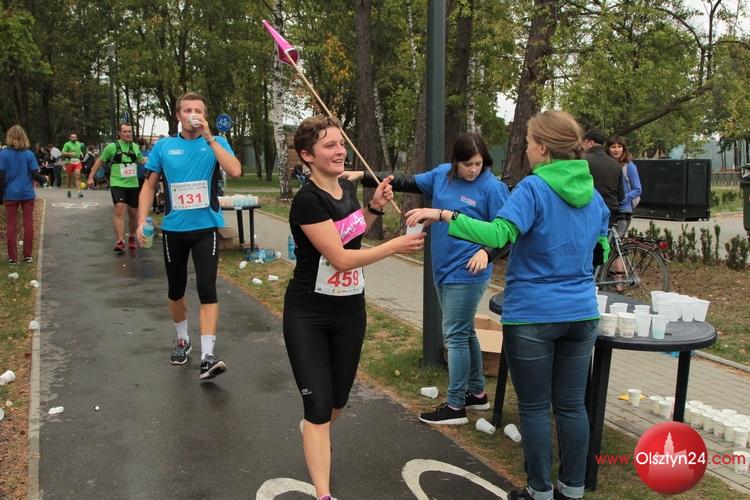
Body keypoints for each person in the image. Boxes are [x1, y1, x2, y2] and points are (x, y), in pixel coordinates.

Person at [406, 110, 610, 500]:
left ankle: (539, 491)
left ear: (543, 148)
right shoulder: (593, 194)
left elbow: (499, 234)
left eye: (530, 143)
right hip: (582, 314)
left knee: (534, 407)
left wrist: (446, 214)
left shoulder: (534, 188)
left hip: (533, 314)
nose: (527, 150)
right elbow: (601, 249)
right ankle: (572, 490)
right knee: (571, 406)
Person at [284, 115, 425, 500]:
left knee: (336, 402)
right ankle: (323, 493)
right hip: (308, 314)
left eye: (341, 144)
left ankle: (313, 430)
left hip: (349, 313)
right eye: (329, 145)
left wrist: (374, 209)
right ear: (307, 155)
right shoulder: (307, 200)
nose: (339, 151)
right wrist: (395, 246)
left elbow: (349, 233)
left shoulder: (344, 187)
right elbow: (341, 257)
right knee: (317, 407)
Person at [347, 132, 510, 425]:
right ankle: (477, 394)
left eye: (478, 163)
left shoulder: (492, 188)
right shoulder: (442, 176)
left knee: (454, 335)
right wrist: (363, 175)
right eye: (467, 164)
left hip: (469, 271)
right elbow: (405, 181)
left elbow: (506, 233)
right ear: (455, 162)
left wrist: (487, 252)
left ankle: (456, 406)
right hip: (443, 267)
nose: (474, 169)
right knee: (464, 331)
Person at [136, 92, 241, 380]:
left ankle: (208, 356)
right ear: (178, 115)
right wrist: (142, 219)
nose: (193, 115)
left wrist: (210, 138)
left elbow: (235, 170)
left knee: (208, 289)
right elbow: (148, 187)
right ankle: (182, 340)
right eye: (187, 110)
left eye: (198, 110)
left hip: (206, 227)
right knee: (176, 290)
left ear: (205, 115)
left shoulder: (216, 142)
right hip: (174, 230)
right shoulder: (164, 146)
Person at [88, 123, 146, 253]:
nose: (128, 134)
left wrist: (160, 160)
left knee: (133, 213)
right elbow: (100, 161)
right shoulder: (111, 147)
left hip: (133, 184)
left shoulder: (135, 147)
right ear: (119, 133)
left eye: (130, 131)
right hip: (117, 182)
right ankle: (120, 241)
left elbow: (142, 161)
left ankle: (131, 236)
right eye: (125, 131)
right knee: (119, 208)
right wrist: (91, 177)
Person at [0, 125, 45, 264]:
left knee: (11, 225)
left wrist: (1, 195)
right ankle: (27, 255)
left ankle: (12, 257)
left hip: (10, 193)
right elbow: (34, 173)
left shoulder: (3, 154)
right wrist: (44, 179)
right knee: (28, 223)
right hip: (27, 193)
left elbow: (1, 177)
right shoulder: (28, 154)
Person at [582, 129, 622, 227]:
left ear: (590, 142)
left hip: (588, 212)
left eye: (583, 142)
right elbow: (621, 195)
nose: (582, 146)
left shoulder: (582, 162)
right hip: (610, 212)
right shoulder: (615, 164)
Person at [606, 135, 642, 237]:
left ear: (623, 149)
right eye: (613, 147)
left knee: (613, 241)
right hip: (608, 209)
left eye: (619, 147)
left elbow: (637, 189)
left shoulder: (629, 166)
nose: (616, 150)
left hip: (622, 211)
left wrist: (621, 200)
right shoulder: (606, 165)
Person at [61, 132, 85, 198]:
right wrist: (70, 154)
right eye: (73, 137)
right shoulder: (67, 144)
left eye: (75, 137)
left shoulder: (78, 143)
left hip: (77, 161)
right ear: (70, 138)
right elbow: (63, 152)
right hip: (69, 162)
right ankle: (68, 190)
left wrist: (81, 153)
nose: (74, 138)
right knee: (69, 177)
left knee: (78, 176)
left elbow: (78, 150)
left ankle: (79, 192)